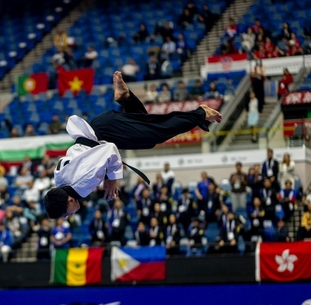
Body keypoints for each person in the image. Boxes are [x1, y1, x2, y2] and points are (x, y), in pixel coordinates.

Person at [43, 72, 222, 219]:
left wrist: (111, 179)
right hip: (99, 130)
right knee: (146, 130)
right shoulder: (60, 184)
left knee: (157, 132)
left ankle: (201, 114)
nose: (68, 216)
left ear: (70, 200)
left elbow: (110, 149)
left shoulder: (81, 184)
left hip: (107, 132)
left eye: (66, 214)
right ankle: (125, 97)